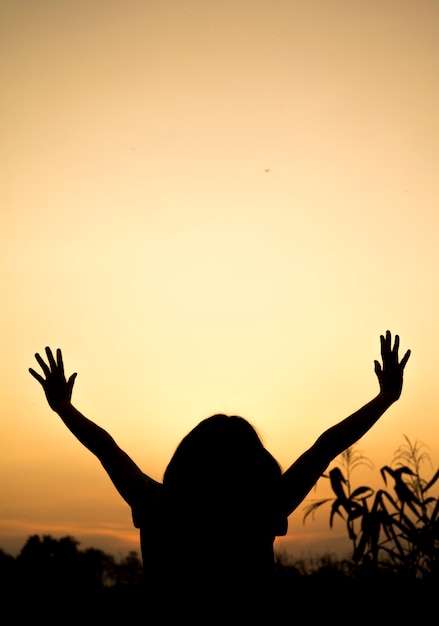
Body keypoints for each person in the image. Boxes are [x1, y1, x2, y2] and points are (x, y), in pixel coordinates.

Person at [29, 331, 410, 623]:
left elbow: (105, 447)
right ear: (254, 466)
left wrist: (64, 408)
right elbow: (325, 446)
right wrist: (385, 397)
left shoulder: (157, 506)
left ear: (184, 460)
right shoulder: (261, 509)